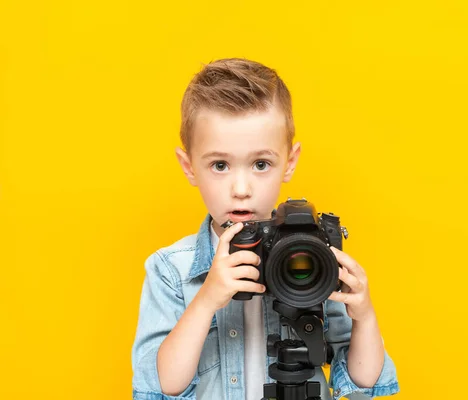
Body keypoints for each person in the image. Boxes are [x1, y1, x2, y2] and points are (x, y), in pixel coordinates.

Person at [131, 58, 400, 400]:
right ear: (189, 167)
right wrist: (207, 299)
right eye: (220, 165)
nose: (241, 188)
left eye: (261, 164)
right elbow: (162, 386)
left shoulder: (311, 255)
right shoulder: (171, 269)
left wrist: (364, 316)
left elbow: (363, 382)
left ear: (289, 162)